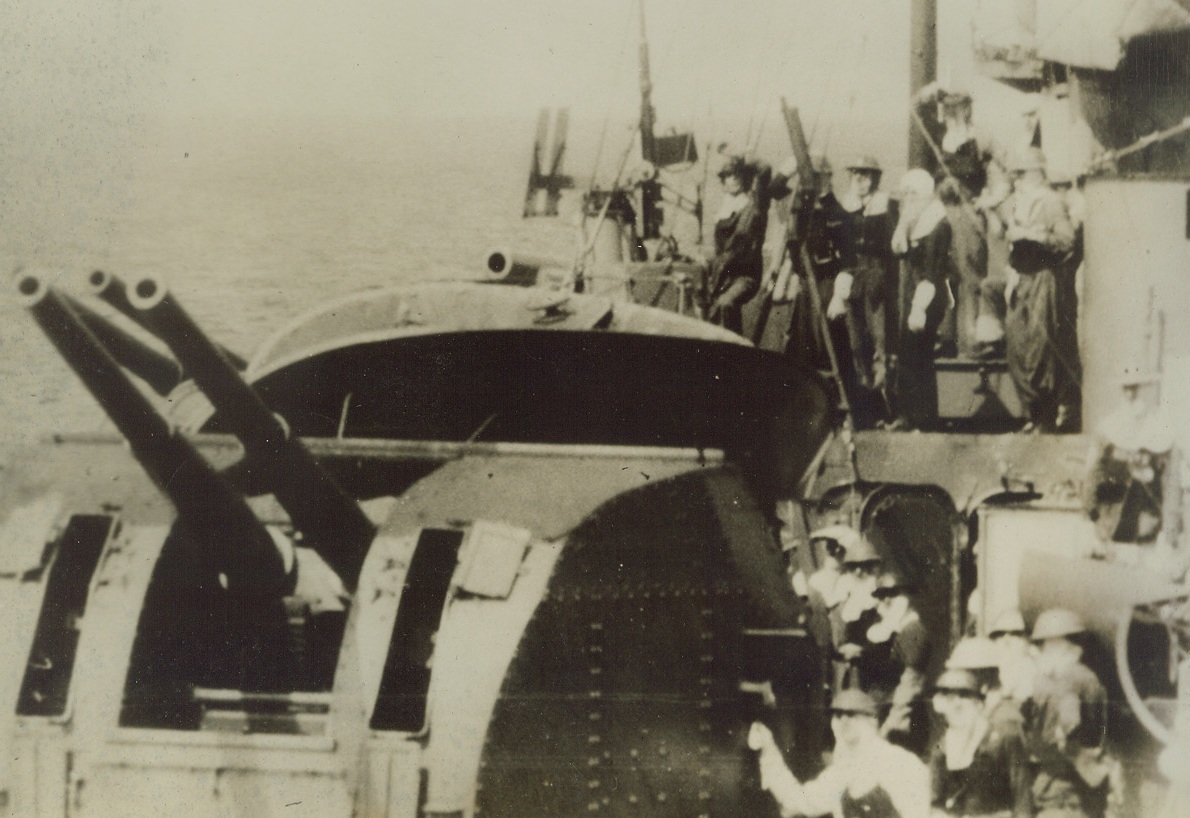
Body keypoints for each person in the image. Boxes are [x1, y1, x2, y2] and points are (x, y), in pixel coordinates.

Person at [751, 688, 930, 818]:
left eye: (852, 714)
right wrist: (768, 749)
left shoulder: (900, 763)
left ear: (872, 722)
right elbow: (796, 800)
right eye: (837, 715)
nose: (844, 720)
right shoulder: (841, 772)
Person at [998, 146, 1078, 432]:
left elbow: (1067, 241)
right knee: (1016, 348)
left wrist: (1032, 235)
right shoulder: (1019, 201)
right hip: (1020, 278)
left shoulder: (1051, 201)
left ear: (1034, 174)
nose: (1015, 180)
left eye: (1019, 174)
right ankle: (1035, 414)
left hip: (1043, 278)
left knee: (1040, 352)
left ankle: (1045, 419)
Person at [770, 155, 857, 393]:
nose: (813, 181)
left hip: (826, 282)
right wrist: (791, 166)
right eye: (809, 176)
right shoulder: (799, 205)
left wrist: (840, 295)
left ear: (828, 178)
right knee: (801, 341)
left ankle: (837, 395)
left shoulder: (837, 213)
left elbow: (849, 260)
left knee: (826, 340)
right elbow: (774, 188)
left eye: (818, 176)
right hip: (806, 283)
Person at [1023, 608, 1117, 818]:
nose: (1040, 652)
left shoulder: (1069, 680)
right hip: (1079, 792)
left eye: (1044, 645)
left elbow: (1069, 726)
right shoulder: (1086, 678)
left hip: (1063, 794)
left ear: (1060, 644)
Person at [828, 155, 894, 426]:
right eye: (855, 175)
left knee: (882, 342)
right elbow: (843, 251)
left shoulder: (887, 206)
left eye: (865, 175)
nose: (859, 180)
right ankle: (867, 410)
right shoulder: (846, 209)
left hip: (879, 280)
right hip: (854, 280)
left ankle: (890, 408)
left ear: (875, 179)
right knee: (857, 343)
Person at [890, 169, 951, 430]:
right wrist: (903, 221)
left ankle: (924, 419)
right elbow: (898, 249)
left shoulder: (939, 224)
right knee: (908, 352)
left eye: (912, 193)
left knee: (919, 354)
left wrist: (919, 308)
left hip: (928, 296)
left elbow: (933, 270)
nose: (907, 198)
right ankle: (909, 415)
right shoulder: (917, 218)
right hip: (914, 293)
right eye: (905, 193)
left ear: (925, 194)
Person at [928, 668, 1033, 818]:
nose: (957, 704)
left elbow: (1022, 795)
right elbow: (935, 801)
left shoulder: (1003, 738)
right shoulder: (942, 749)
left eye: (964, 696)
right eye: (950, 698)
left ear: (978, 702)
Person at [866, 573, 933, 755]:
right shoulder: (897, 631)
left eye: (893, 593)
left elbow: (910, 686)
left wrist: (887, 729)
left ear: (907, 596)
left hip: (904, 726)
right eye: (881, 595)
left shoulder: (913, 632)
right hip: (892, 719)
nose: (886, 600)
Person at [706, 155, 769, 334]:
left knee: (726, 303)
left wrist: (746, 159)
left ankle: (735, 349)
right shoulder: (722, 210)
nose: (734, 179)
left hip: (745, 276)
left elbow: (764, 170)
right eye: (729, 175)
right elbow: (719, 251)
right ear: (723, 180)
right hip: (723, 274)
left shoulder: (754, 205)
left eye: (738, 174)